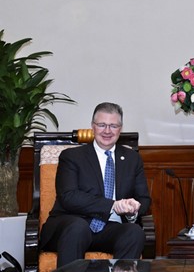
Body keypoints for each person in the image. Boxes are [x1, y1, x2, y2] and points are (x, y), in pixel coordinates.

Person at [40, 102, 151, 268]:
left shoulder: (132, 159)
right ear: (93, 127)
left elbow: (144, 199)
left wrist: (132, 208)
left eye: (113, 126)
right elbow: (68, 197)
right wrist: (113, 205)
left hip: (110, 229)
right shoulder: (72, 157)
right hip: (71, 227)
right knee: (78, 228)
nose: (107, 131)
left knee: (134, 232)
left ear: (120, 129)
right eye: (102, 125)